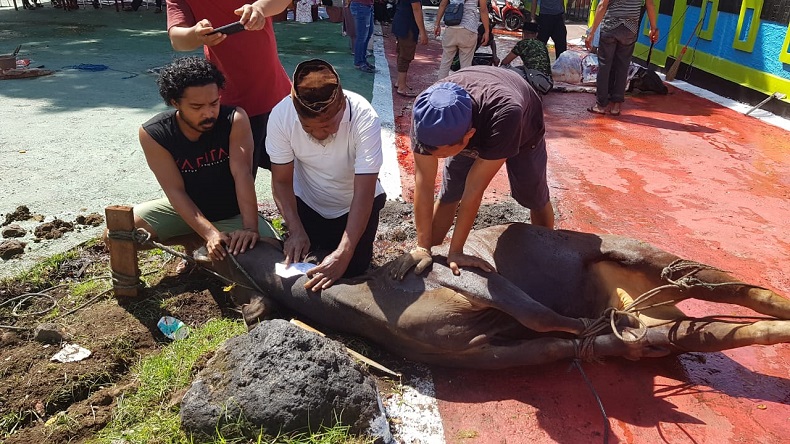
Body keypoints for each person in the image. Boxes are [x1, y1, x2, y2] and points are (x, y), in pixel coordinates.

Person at [122, 56, 278, 270]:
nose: (208, 113)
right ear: (175, 103)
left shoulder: (235, 120)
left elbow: (243, 175)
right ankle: (193, 241)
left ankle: (211, 242)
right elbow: (175, 190)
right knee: (120, 234)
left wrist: (250, 228)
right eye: (196, 107)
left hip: (232, 211)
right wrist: (210, 234)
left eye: (214, 103)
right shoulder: (154, 134)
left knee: (271, 248)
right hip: (184, 209)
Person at [396, 66, 553, 277]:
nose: (437, 159)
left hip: (523, 126)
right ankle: (430, 246)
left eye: (442, 155)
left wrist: (457, 251)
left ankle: (549, 249)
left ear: (469, 136)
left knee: (532, 194)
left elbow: (474, 191)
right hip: (471, 115)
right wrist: (422, 247)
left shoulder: (506, 114)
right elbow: (424, 183)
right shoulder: (427, 111)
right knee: (450, 192)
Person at [266, 59, 386, 291]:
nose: (322, 133)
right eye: (310, 128)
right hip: (309, 202)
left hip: (354, 205)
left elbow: (364, 192)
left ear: (342, 106)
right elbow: (281, 181)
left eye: (330, 124)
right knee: (303, 262)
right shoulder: (281, 116)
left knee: (353, 271)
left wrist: (344, 251)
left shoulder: (364, 118)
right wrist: (296, 229)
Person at [166, 0, 293, 171]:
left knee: (297, 178)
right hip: (229, 104)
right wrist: (195, 34)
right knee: (239, 180)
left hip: (276, 95)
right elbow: (177, 39)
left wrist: (259, 9)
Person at [585, 0, 658, 116]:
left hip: (610, 27)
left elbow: (602, 5)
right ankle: (616, 106)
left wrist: (592, 32)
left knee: (604, 66)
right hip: (629, 30)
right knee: (623, 67)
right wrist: (653, 28)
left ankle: (600, 105)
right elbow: (650, 4)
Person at [434, 0, 490, 80]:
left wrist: (437, 24)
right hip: (468, 29)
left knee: (445, 63)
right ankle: (464, 89)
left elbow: (443, 4)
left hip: (451, 27)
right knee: (466, 66)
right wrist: (487, 31)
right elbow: (483, 10)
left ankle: (439, 89)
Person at [391, 0, 429, 97]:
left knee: (401, 52)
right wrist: (423, 32)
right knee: (406, 55)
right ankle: (402, 86)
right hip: (407, 25)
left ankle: (400, 82)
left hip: (401, 21)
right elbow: (416, 10)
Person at [349, 0, 376, 73]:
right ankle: (359, 62)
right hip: (361, 6)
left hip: (366, 6)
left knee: (368, 33)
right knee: (362, 36)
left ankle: (362, 60)